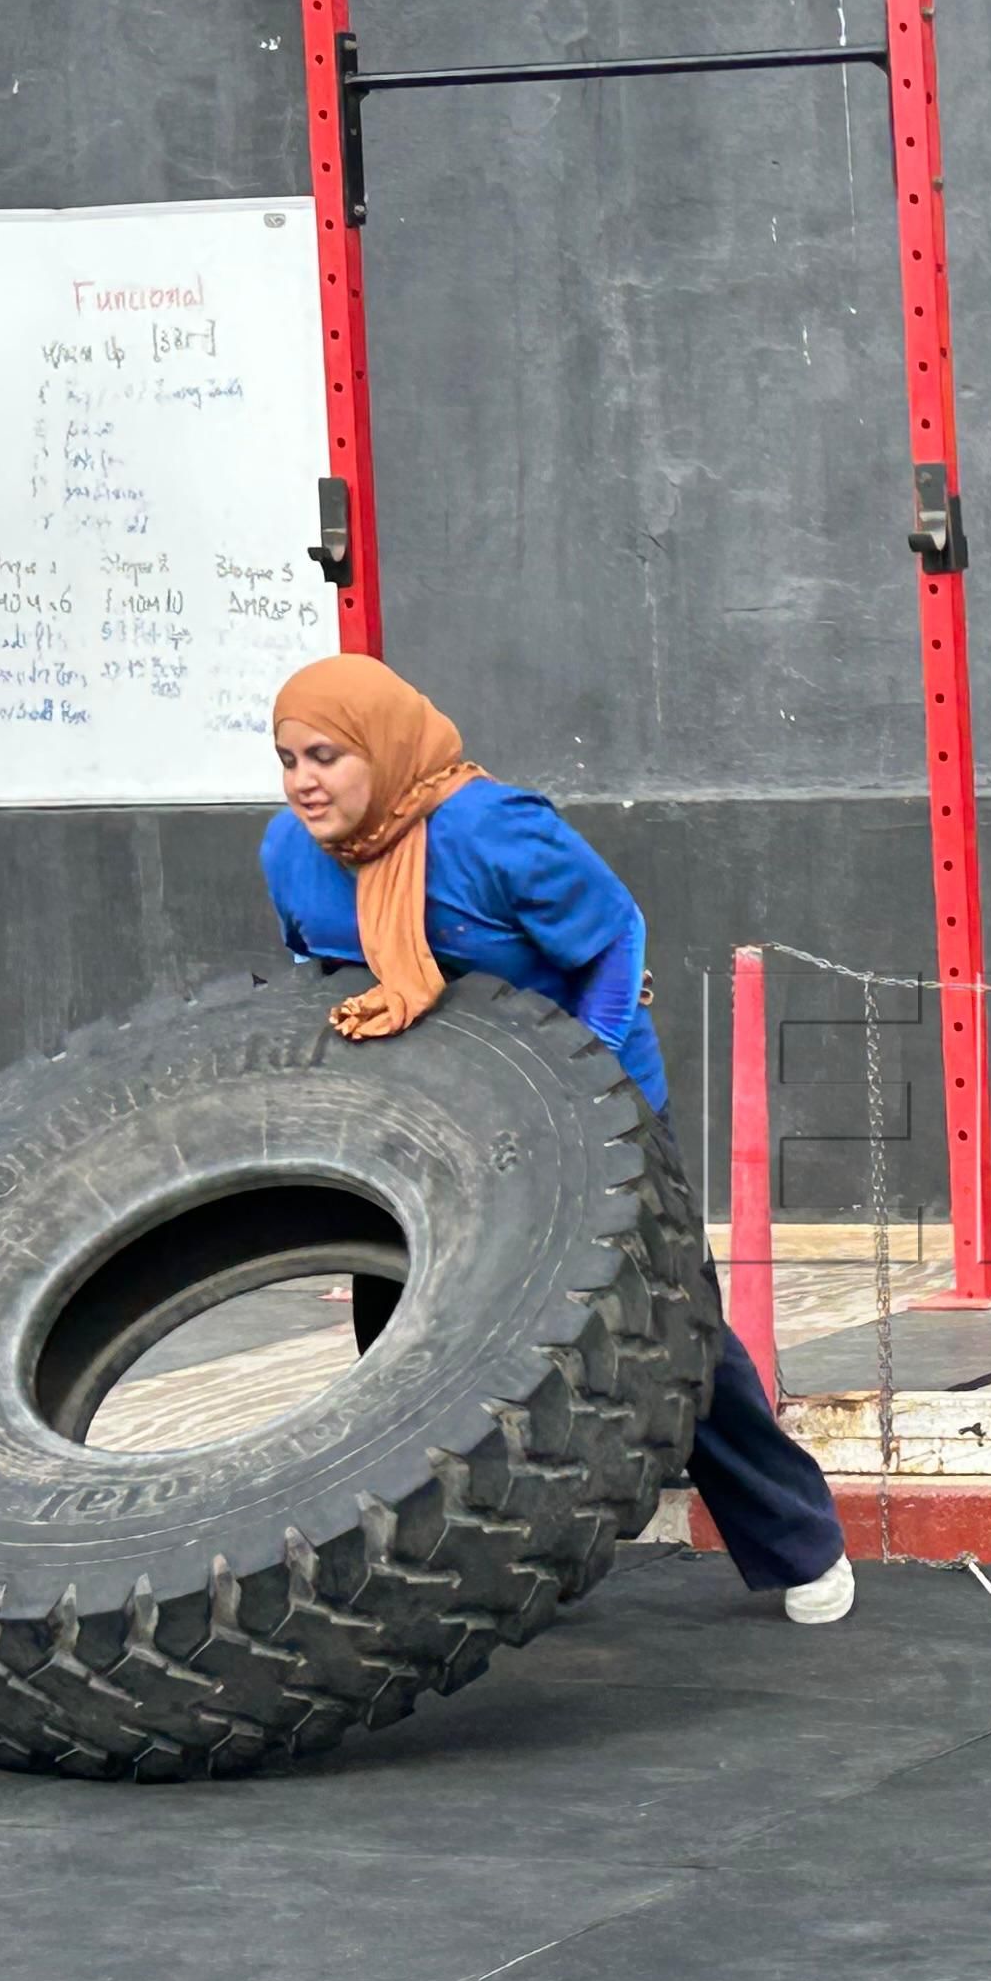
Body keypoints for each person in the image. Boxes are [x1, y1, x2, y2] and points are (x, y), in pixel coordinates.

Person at [260, 654, 859, 1625]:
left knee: (667, 1333)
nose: (304, 781)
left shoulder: (494, 832)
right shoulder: (290, 852)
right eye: (287, 759)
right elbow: (321, 980)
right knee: (403, 1340)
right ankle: (472, 1563)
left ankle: (801, 1545)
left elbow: (615, 940)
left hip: (593, 1102)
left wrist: (587, 1090)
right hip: (429, 1126)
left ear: (381, 748)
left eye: (326, 755)